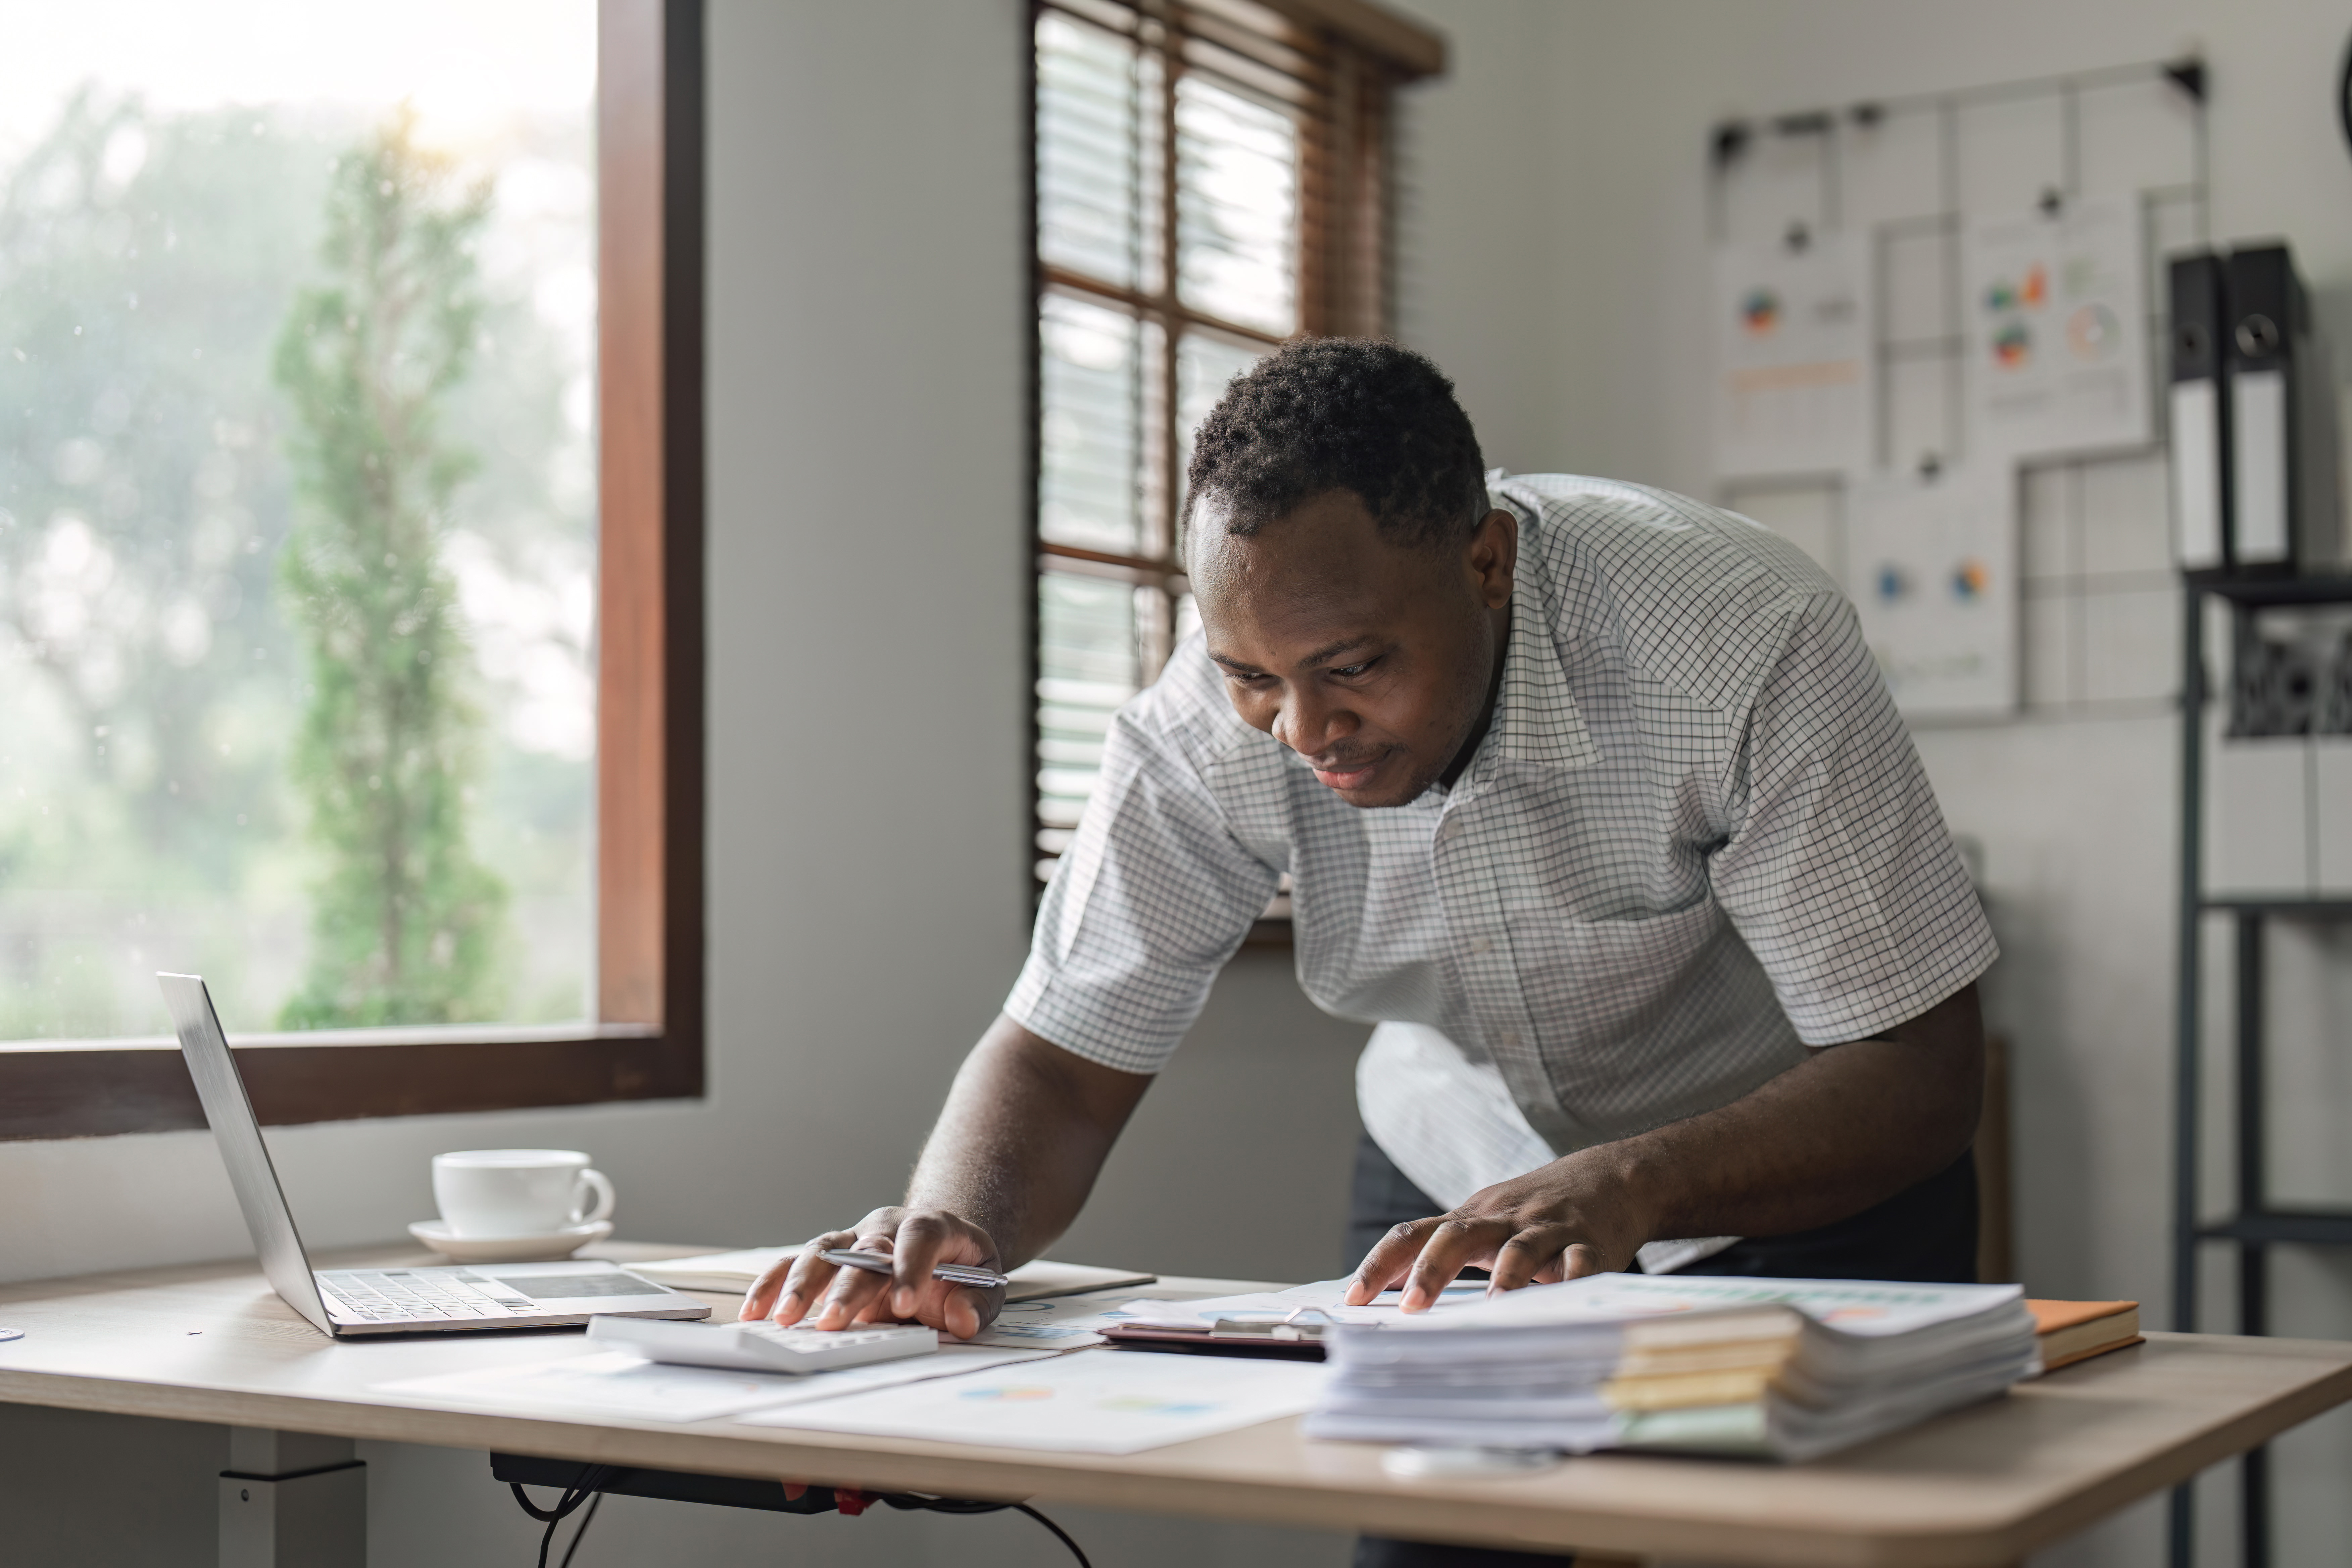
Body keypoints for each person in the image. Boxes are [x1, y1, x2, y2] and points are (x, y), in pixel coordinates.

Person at [744, 340, 1995, 1566]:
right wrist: (952, 1224)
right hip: (1456, 1180)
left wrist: (1635, 1185)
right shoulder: (1211, 717)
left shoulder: (1737, 638)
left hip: (1788, 1176)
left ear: (1487, 562)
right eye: (1252, 678)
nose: (1305, 729)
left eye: (1354, 670)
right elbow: (1066, 1059)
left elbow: (1919, 1066)